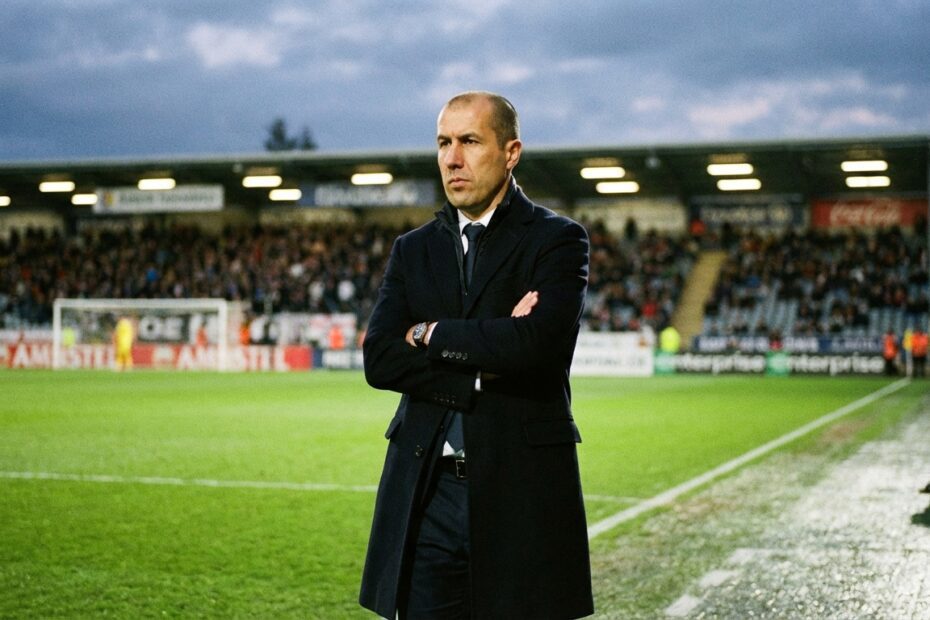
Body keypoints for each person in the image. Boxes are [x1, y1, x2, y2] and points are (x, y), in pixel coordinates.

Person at [359, 91, 593, 619]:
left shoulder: (557, 241)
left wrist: (430, 333)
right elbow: (380, 359)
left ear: (511, 152)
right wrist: (484, 363)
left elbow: (535, 347)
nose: (452, 158)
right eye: (443, 142)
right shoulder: (413, 249)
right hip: (426, 493)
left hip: (520, 492)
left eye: (469, 141)